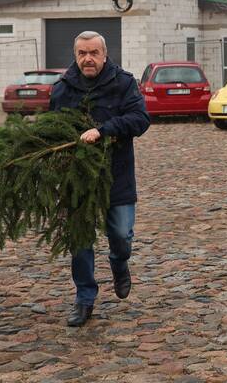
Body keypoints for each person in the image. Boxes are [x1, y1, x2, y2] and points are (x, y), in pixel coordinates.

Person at [49, 31, 150, 327]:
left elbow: (141, 120)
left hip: (116, 177)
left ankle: (119, 264)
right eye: (82, 53)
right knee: (80, 242)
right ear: (75, 55)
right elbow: (52, 129)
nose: (87, 58)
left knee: (120, 235)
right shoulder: (63, 89)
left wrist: (105, 130)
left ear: (105, 55)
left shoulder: (123, 83)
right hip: (77, 180)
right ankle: (84, 299)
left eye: (93, 53)